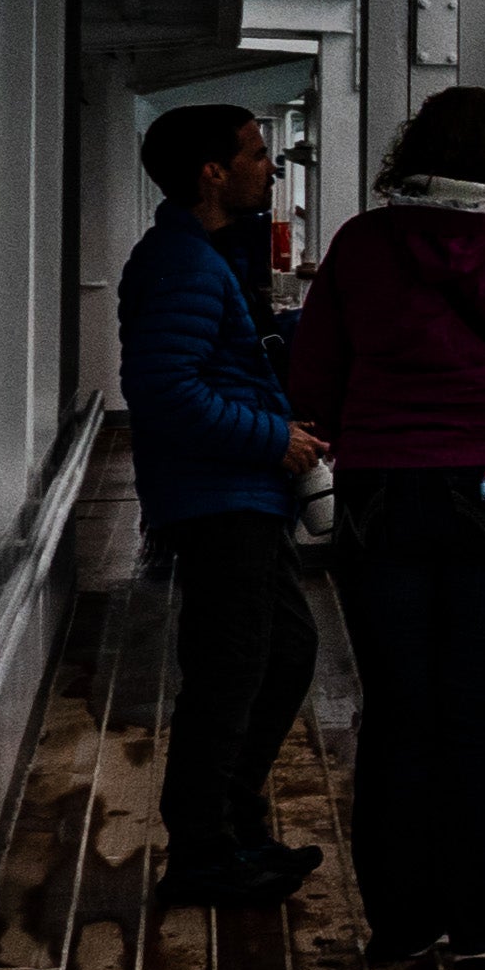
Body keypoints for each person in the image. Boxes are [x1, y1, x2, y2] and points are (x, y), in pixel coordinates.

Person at [286, 87, 485, 966]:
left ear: (412, 148)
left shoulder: (361, 246)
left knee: (399, 710)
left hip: (386, 497)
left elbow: (314, 373)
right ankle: (483, 927)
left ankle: (400, 922)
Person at [117, 100, 322, 906]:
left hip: (233, 490)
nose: (269, 167)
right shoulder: (181, 263)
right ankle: (204, 852)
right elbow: (164, 391)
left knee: (281, 653)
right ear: (212, 170)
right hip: (218, 496)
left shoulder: (194, 254)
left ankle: (232, 831)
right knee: (231, 670)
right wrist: (271, 439)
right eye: (256, 153)